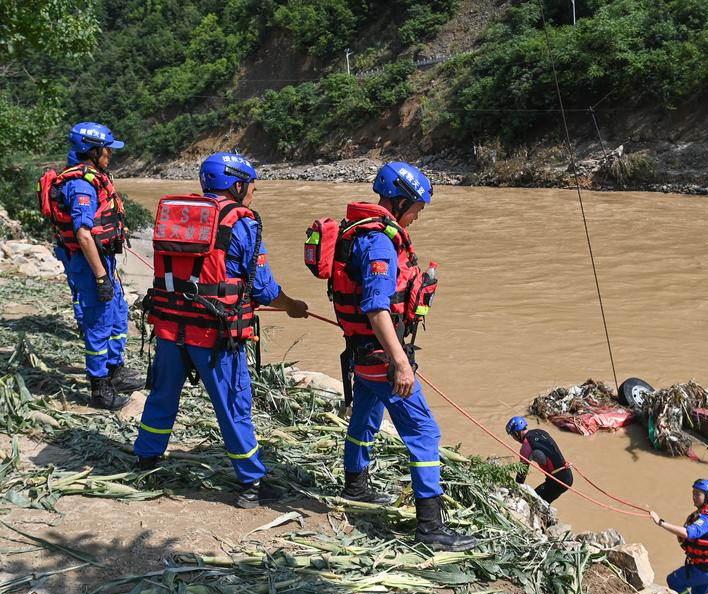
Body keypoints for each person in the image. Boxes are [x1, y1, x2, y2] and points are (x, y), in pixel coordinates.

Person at [134, 152, 309, 509]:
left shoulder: (182, 215)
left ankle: (146, 461)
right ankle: (251, 484)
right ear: (237, 184)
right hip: (213, 334)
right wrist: (292, 306)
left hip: (169, 327)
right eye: (252, 186)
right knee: (234, 406)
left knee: (163, 395)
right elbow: (262, 289)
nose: (253, 193)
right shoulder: (242, 222)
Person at [330, 161, 475, 551]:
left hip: (361, 354)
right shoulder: (379, 242)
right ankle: (430, 528)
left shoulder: (358, 232)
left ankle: (355, 485)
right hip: (381, 356)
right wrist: (400, 362)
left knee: (364, 417)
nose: (415, 219)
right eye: (415, 210)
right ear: (399, 202)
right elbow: (377, 308)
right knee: (425, 434)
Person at [55, 122, 145, 409]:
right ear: (91, 151)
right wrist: (100, 278)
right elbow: (83, 234)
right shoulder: (81, 185)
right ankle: (99, 387)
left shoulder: (95, 177)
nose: (109, 154)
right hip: (89, 263)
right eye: (106, 149)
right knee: (99, 324)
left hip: (102, 258)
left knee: (118, 313)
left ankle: (115, 370)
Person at [650, 479, 708, 594]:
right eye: (693, 493)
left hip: (702, 570)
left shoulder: (707, 520)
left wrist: (660, 523)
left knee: (674, 581)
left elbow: (687, 533)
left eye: (698, 494)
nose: (694, 497)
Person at [505, 416, 573, 504]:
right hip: (566, 474)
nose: (514, 438)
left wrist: (513, 492)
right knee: (541, 500)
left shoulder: (526, 447)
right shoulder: (540, 432)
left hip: (558, 481)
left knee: (533, 502)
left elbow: (521, 475)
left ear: (517, 433)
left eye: (513, 435)